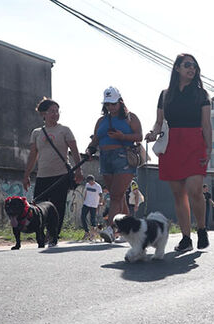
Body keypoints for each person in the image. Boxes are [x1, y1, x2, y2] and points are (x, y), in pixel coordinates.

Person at [145, 54, 212, 252]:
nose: (192, 69)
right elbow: (159, 122)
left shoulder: (202, 94)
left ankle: (201, 229)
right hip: (171, 145)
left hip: (194, 143)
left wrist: (209, 148)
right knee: (178, 194)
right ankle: (185, 238)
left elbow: (206, 125)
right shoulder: (165, 94)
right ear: (177, 68)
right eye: (187, 65)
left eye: (194, 66)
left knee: (194, 190)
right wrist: (152, 133)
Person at [23, 98, 83, 245]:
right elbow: (33, 155)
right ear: (43, 114)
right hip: (42, 175)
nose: (55, 114)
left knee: (57, 207)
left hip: (60, 176)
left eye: (57, 111)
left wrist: (78, 171)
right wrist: (26, 175)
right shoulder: (36, 133)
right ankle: (41, 234)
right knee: (38, 207)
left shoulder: (64, 130)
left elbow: (74, 151)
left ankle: (53, 235)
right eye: (51, 111)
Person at [86, 87, 142, 243]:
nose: (111, 107)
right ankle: (130, 230)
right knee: (119, 196)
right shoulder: (101, 121)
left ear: (120, 102)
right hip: (105, 157)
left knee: (116, 195)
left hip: (124, 157)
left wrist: (122, 136)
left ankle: (110, 229)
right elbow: (96, 139)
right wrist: (90, 149)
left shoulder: (131, 118)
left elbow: (139, 136)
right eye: (108, 104)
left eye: (113, 104)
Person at [81, 175, 103, 241]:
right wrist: (84, 200)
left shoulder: (98, 186)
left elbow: (101, 195)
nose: (89, 183)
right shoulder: (87, 185)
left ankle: (93, 234)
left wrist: (100, 203)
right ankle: (87, 232)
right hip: (86, 204)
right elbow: (85, 192)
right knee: (83, 217)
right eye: (88, 181)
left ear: (93, 180)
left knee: (92, 220)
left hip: (94, 205)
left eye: (90, 181)